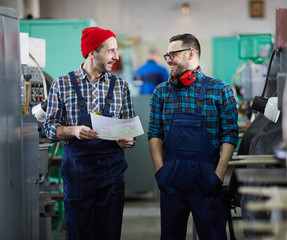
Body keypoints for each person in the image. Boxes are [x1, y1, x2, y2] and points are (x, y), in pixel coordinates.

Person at [43, 27, 135, 240]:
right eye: (111, 50)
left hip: (112, 172)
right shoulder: (62, 84)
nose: (116, 56)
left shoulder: (120, 86)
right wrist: (72, 130)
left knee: (110, 232)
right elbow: (49, 129)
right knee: (79, 232)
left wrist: (128, 138)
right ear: (93, 52)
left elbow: (130, 128)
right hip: (78, 173)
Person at [148, 33, 239, 240]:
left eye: (173, 54)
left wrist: (218, 174)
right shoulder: (161, 92)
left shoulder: (220, 90)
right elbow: (154, 133)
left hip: (207, 181)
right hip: (171, 181)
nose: (168, 59)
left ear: (191, 53)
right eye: (167, 55)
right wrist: (160, 172)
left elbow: (230, 134)